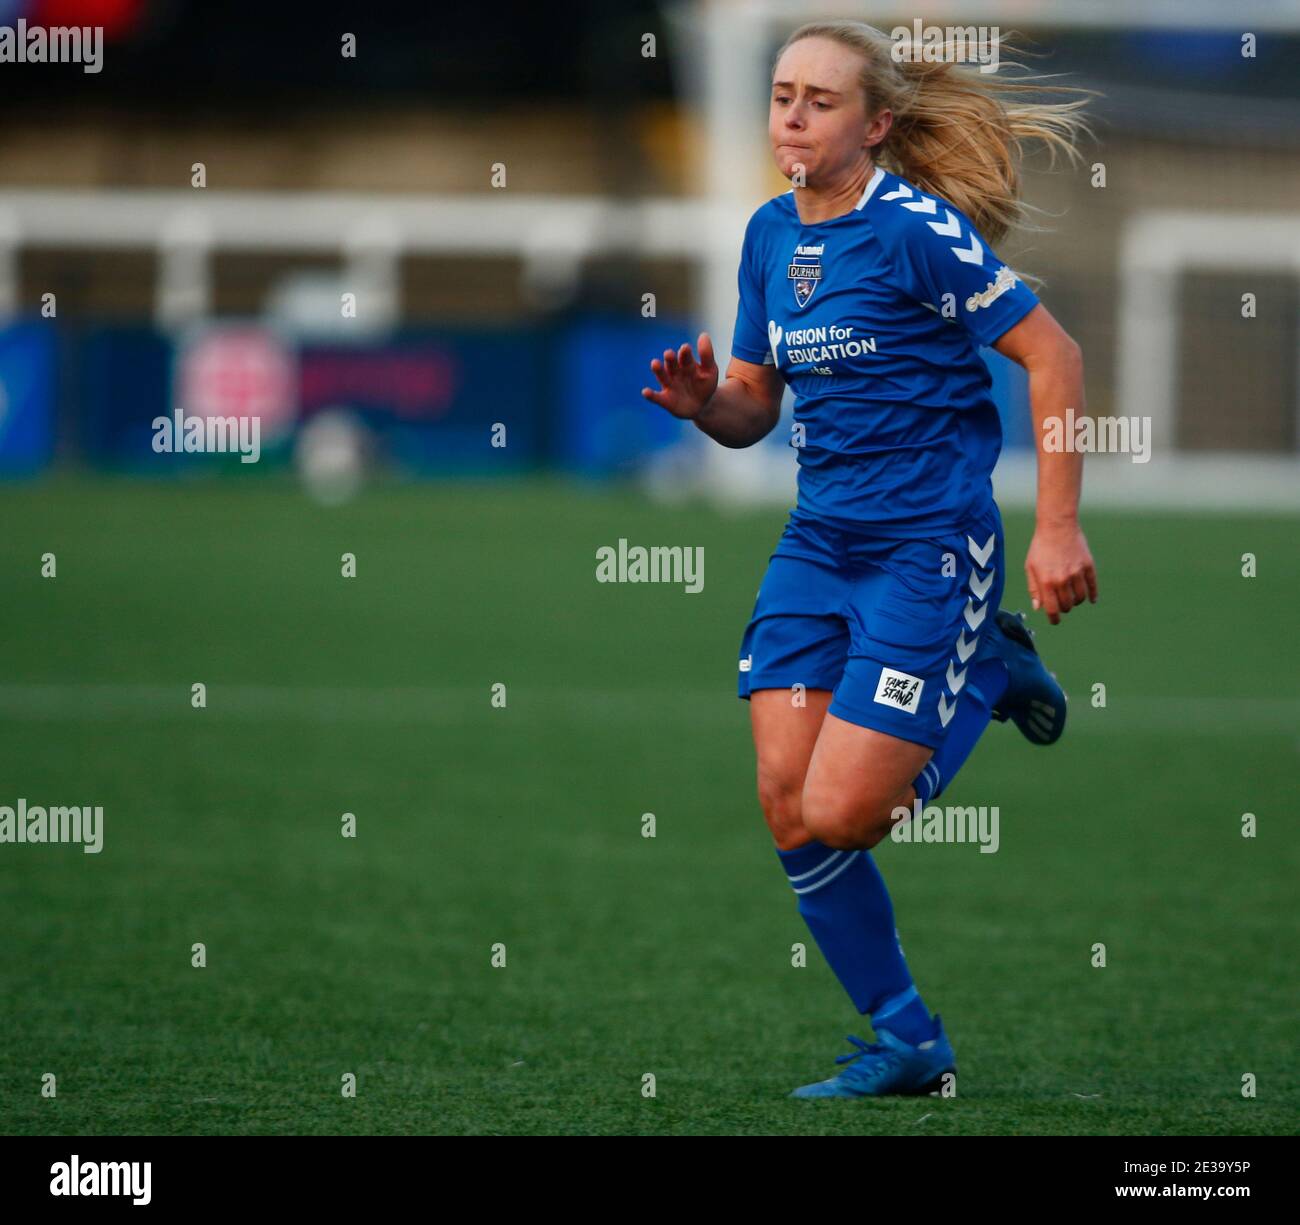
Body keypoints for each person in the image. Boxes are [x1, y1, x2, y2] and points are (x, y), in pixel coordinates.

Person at [641, 21, 1098, 1098]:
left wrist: (1057, 527)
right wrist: (708, 404)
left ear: (875, 123)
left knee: (845, 812)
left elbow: (1054, 355)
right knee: (784, 800)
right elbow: (756, 403)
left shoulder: (914, 231)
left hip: (928, 550)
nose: (792, 115)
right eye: (781, 95)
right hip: (818, 542)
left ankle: (986, 669)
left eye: (819, 100)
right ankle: (910, 1043)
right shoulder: (766, 235)